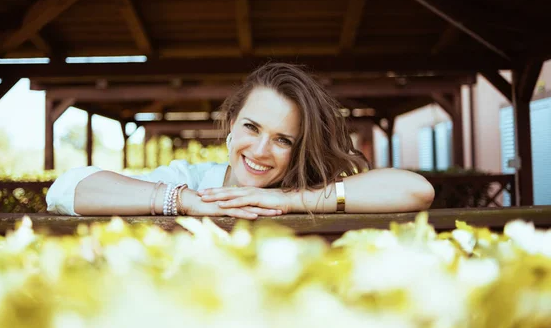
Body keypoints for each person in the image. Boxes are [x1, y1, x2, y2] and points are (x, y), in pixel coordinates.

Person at [46, 62, 434, 219]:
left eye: (283, 139)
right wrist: (184, 201)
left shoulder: (311, 189)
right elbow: (64, 190)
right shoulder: (190, 179)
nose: (261, 151)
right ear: (231, 124)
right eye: (251, 127)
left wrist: (285, 200)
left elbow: (416, 191)